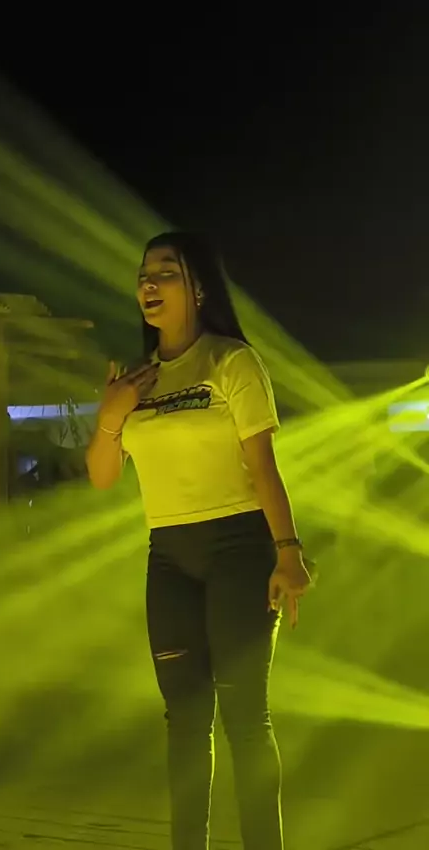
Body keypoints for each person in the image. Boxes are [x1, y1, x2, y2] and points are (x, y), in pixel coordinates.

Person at [86, 231, 312, 850]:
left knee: (245, 720)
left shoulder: (232, 363)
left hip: (239, 549)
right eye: (144, 274)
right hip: (169, 557)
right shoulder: (136, 382)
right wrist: (111, 415)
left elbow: (263, 467)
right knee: (185, 723)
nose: (149, 283)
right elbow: (102, 477)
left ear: (199, 288)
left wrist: (288, 552)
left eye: (166, 271)